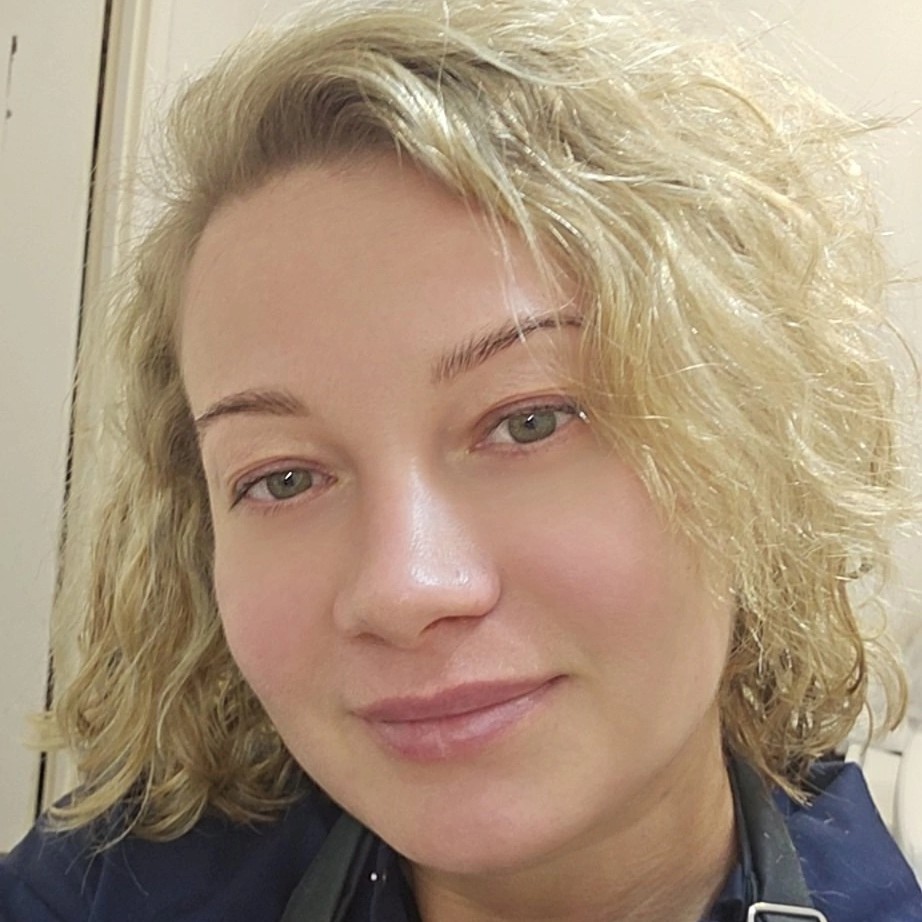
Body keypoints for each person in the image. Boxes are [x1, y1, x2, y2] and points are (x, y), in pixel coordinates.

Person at [1, 1, 920, 919]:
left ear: (749, 447)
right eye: (284, 478)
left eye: (530, 422)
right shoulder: (104, 890)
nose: (403, 591)